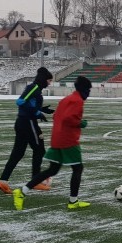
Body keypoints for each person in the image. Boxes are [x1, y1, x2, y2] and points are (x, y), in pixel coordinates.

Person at [12, 76, 93, 210]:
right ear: (84, 89)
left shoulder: (66, 99)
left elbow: (56, 116)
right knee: (78, 169)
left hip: (57, 139)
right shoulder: (77, 100)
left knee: (53, 170)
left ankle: (22, 192)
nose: (89, 93)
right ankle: (73, 202)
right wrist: (80, 123)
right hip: (68, 140)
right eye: (88, 89)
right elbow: (68, 118)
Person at [0, 67, 54, 194]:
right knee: (39, 150)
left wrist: (43, 110)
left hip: (22, 122)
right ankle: (36, 181)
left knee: (18, 153)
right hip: (28, 123)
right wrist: (37, 112)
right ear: (43, 79)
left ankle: (3, 181)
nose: (49, 83)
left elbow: (29, 103)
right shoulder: (33, 88)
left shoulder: (36, 89)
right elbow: (20, 101)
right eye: (49, 80)